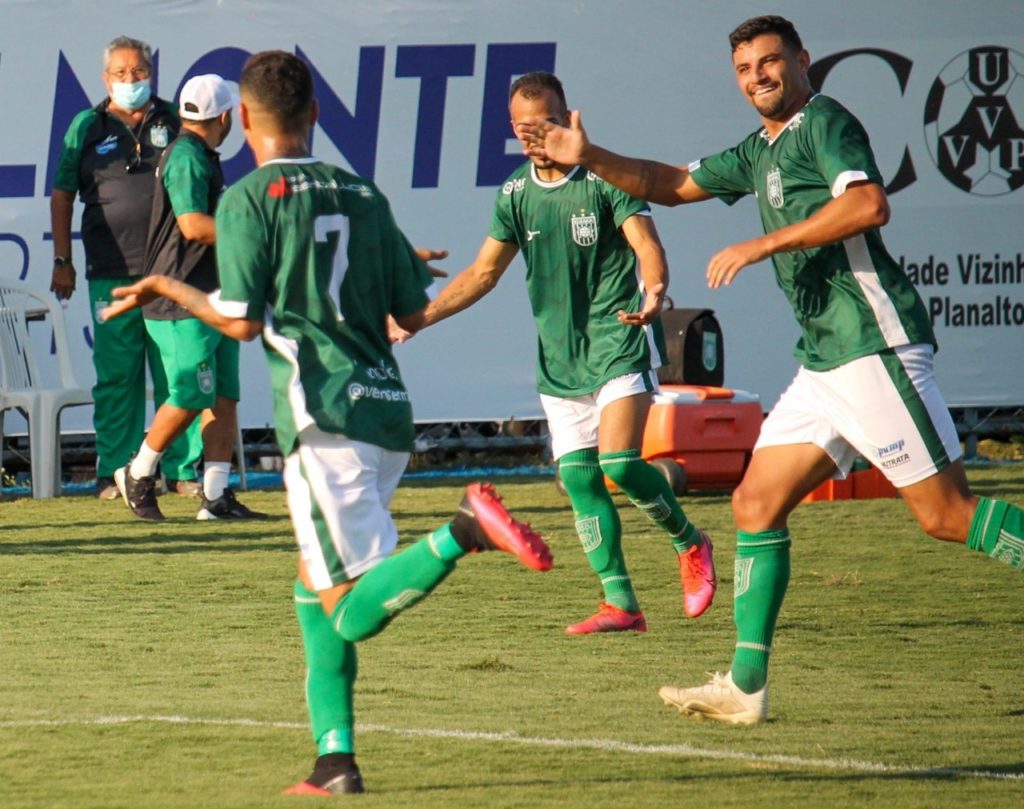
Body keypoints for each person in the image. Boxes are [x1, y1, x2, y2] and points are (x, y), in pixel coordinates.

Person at [520, 14, 1024, 722]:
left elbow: (868, 203)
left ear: (801, 60)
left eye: (769, 62)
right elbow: (667, 183)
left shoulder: (824, 122)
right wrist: (590, 152)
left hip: (872, 346)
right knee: (754, 504)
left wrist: (762, 245)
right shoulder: (759, 151)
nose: (757, 76)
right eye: (745, 69)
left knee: (945, 514)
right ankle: (746, 688)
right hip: (824, 364)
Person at [102, 50, 553, 796]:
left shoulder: (250, 196)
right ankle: (334, 760)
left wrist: (166, 286)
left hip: (323, 417)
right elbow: (409, 312)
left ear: (244, 120)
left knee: (347, 611)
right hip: (386, 412)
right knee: (311, 591)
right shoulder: (360, 193)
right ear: (315, 114)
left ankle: (463, 528)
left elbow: (242, 323)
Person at [409, 71, 716, 635]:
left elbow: (647, 245)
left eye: (544, 123)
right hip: (560, 361)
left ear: (567, 117)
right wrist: (418, 320)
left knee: (619, 463)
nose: (534, 135)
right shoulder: (515, 194)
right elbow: (482, 273)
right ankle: (621, 604)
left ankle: (690, 542)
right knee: (579, 480)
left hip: (618, 340)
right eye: (523, 127)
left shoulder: (605, 178)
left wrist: (654, 290)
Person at [50, 35, 202, 500]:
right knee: (117, 373)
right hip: (110, 270)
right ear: (105, 78)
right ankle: (115, 468)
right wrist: (63, 261)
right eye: (121, 73)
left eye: (138, 71)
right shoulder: (87, 125)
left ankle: (182, 471)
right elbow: (62, 194)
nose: (131, 80)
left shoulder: (174, 118)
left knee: (178, 372)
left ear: (151, 72)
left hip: (171, 269)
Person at [114, 73, 264, 522]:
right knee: (189, 394)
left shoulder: (198, 154)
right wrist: (254, 239)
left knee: (222, 397)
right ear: (225, 116)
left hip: (211, 296)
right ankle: (137, 474)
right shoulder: (187, 157)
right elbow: (193, 226)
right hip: (180, 298)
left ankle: (216, 496)